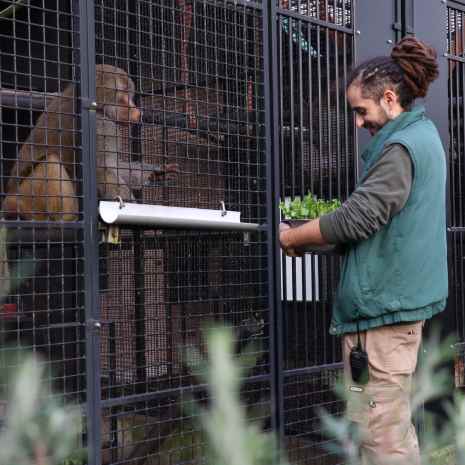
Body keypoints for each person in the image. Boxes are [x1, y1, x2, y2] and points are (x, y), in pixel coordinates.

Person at [279, 36, 448, 465]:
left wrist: (294, 237)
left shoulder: (401, 148)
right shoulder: (418, 137)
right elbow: (377, 226)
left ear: (389, 99)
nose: (357, 123)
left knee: (384, 438)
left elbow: (359, 218)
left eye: (361, 111)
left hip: (385, 319)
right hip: (381, 315)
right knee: (373, 427)